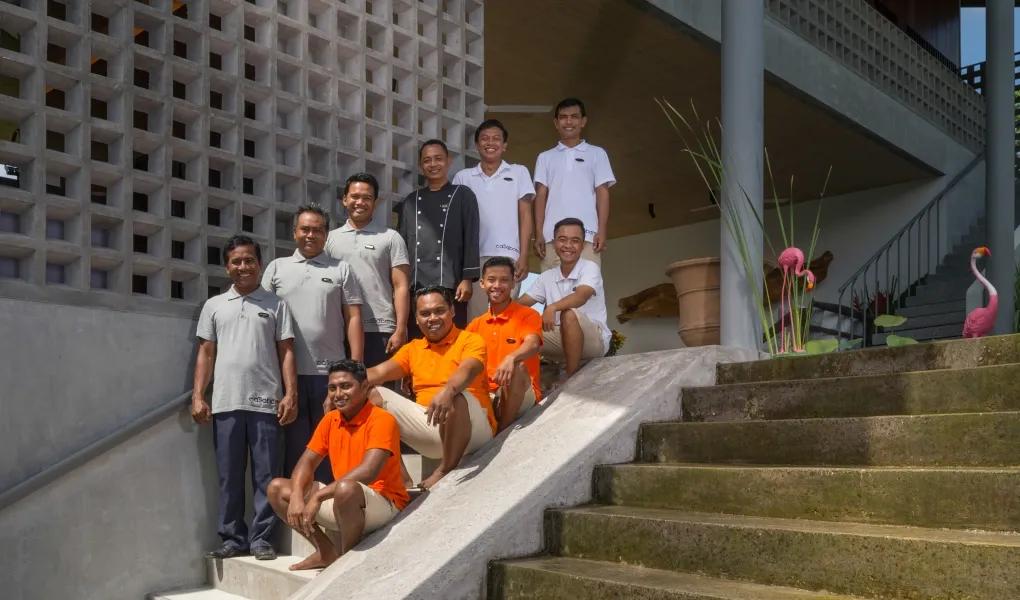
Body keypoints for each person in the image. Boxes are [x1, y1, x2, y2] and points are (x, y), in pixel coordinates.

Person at [192, 234, 297, 561]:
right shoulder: (214, 306)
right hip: (225, 404)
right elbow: (206, 354)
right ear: (227, 267)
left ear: (259, 264)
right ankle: (232, 538)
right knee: (229, 476)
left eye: (249, 260)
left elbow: (287, 352)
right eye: (236, 261)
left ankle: (262, 539)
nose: (243, 266)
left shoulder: (276, 304)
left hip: (266, 402)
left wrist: (290, 393)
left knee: (266, 476)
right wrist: (198, 395)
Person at [267, 360, 409, 571]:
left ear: (364, 387)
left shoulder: (382, 419)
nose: (338, 394)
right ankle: (326, 552)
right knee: (277, 488)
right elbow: (307, 462)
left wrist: (318, 496)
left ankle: (348, 561)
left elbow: (368, 472)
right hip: (344, 500)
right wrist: (297, 495)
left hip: (384, 503)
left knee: (346, 488)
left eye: (346, 386)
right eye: (332, 388)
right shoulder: (331, 419)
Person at [262, 203, 364, 480]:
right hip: (286, 377)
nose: (310, 235)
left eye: (317, 230)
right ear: (294, 232)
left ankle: (330, 510)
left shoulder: (342, 269)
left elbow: (353, 317)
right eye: (305, 229)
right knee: (294, 449)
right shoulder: (276, 268)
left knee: (332, 447)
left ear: (326, 234)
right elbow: (262, 322)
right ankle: (297, 511)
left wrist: (356, 367)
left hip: (329, 377)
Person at [366, 286, 495, 489]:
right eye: (425, 314)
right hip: (431, 425)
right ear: (416, 319)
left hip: (473, 429)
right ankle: (402, 481)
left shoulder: (470, 339)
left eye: (439, 311)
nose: (432, 318)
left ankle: (444, 469)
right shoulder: (412, 349)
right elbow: (377, 373)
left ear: (452, 311)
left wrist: (448, 390)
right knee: (368, 395)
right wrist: (341, 386)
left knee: (456, 397)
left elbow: (469, 368)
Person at [452, 119, 535, 320]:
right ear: (477, 145)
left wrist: (524, 255)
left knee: (505, 316)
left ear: (505, 145)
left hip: (509, 255)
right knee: (478, 318)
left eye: (496, 139)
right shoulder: (463, 177)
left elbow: (525, 215)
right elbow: (456, 223)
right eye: (485, 139)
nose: (491, 143)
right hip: (474, 258)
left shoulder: (518, 172)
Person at [326, 173, 411, 368]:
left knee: (379, 394)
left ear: (376, 202)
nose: (360, 202)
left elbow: (401, 285)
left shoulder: (391, 237)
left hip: (380, 328)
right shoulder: (329, 239)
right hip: (339, 329)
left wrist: (400, 329)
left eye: (367, 198)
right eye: (355, 197)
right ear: (344, 199)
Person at [395, 139, 480, 332]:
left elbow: (471, 237)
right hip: (417, 285)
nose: (433, 164)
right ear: (420, 165)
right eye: (427, 160)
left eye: (438, 159)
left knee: (452, 339)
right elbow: (403, 245)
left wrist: (468, 278)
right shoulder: (411, 201)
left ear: (448, 161)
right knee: (419, 341)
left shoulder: (463, 194)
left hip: (452, 283)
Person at [533, 97, 616, 271]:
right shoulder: (545, 157)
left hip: (587, 237)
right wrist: (539, 233)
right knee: (553, 294)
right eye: (563, 117)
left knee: (585, 292)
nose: (568, 121)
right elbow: (540, 196)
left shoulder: (597, 154)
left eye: (574, 116)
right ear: (556, 123)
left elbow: (603, 193)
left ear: (583, 121)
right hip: (551, 238)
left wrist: (602, 231)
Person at [520, 218, 610, 377]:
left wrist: (552, 307)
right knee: (515, 330)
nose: (568, 245)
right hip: (561, 338)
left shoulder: (590, 267)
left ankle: (570, 378)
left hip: (593, 341)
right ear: (554, 243)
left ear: (582, 246)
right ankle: (519, 384)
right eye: (562, 240)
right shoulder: (547, 276)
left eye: (575, 241)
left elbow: (581, 296)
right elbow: (521, 305)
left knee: (568, 315)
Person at [466, 257, 543, 432]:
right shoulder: (475, 325)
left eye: (504, 280)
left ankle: (503, 432)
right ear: (482, 283)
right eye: (491, 280)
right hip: (488, 396)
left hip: (522, 393)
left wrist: (511, 357)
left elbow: (533, 344)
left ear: (513, 283)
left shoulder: (528, 315)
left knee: (518, 367)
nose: (497, 285)